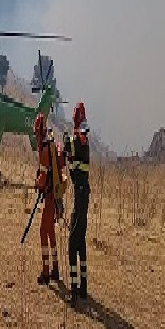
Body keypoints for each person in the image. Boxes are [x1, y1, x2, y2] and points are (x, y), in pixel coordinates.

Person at [33, 113, 67, 285]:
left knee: (42, 231)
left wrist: (37, 184)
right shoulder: (51, 144)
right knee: (50, 231)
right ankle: (55, 268)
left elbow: (43, 177)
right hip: (54, 194)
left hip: (49, 195)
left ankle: (46, 272)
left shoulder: (45, 150)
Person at [64, 102, 91, 302]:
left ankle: (74, 289)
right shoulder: (83, 140)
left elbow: (70, 155)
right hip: (84, 194)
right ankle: (83, 287)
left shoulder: (76, 140)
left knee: (73, 244)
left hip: (80, 195)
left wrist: (65, 145)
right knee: (80, 241)